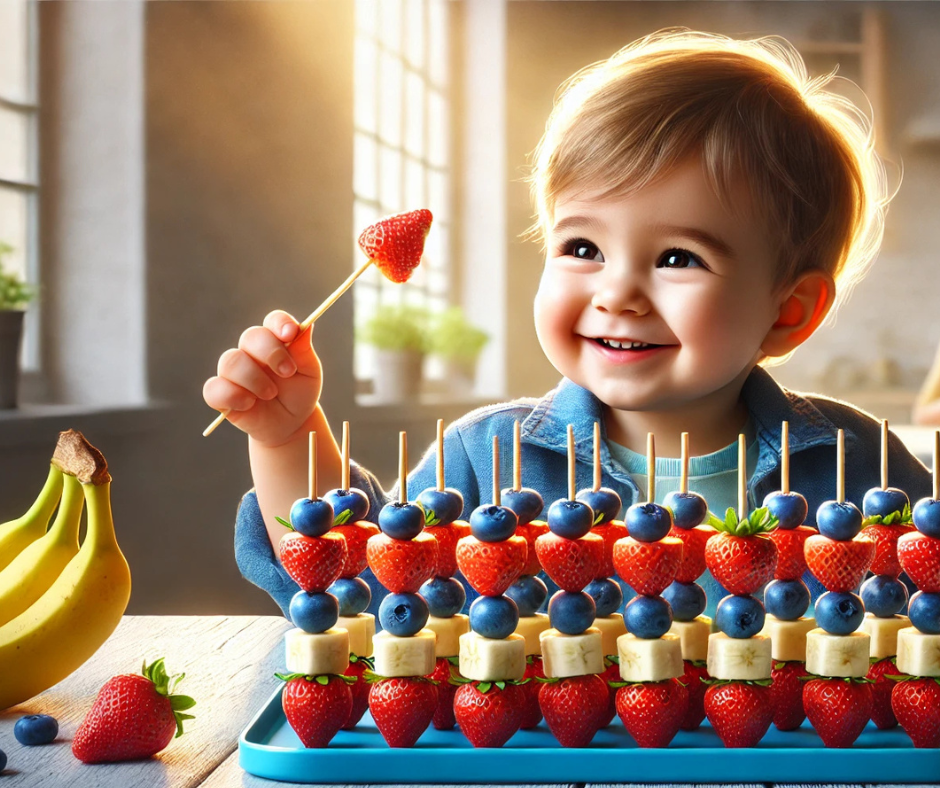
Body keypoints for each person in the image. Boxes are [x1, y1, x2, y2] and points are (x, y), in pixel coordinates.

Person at [204, 30, 931, 618]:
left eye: (679, 257)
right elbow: (354, 587)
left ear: (788, 311)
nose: (617, 292)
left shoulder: (860, 464)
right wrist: (287, 436)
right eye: (583, 247)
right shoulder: (484, 458)